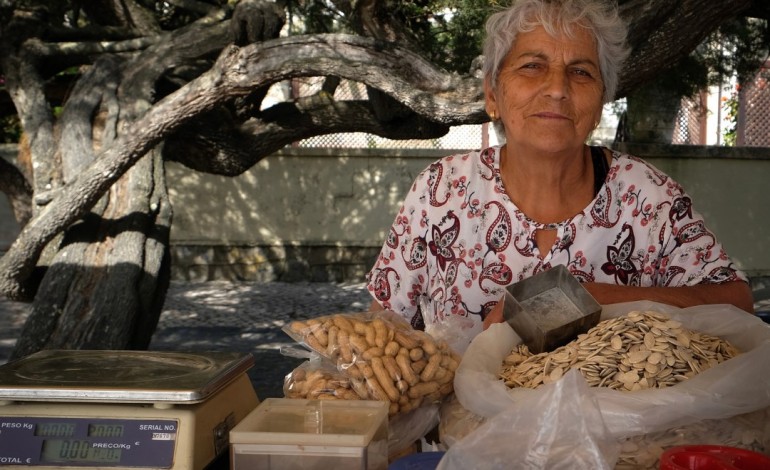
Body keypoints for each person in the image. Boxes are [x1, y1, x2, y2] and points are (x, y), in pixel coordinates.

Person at [365, 0, 754, 348]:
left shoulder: (648, 198)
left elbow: (737, 303)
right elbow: (382, 331)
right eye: (532, 66)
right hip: (458, 428)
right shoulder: (441, 190)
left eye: (581, 72)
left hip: (611, 428)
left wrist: (584, 295)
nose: (556, 89)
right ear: (492, 95)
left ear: (600, 102)